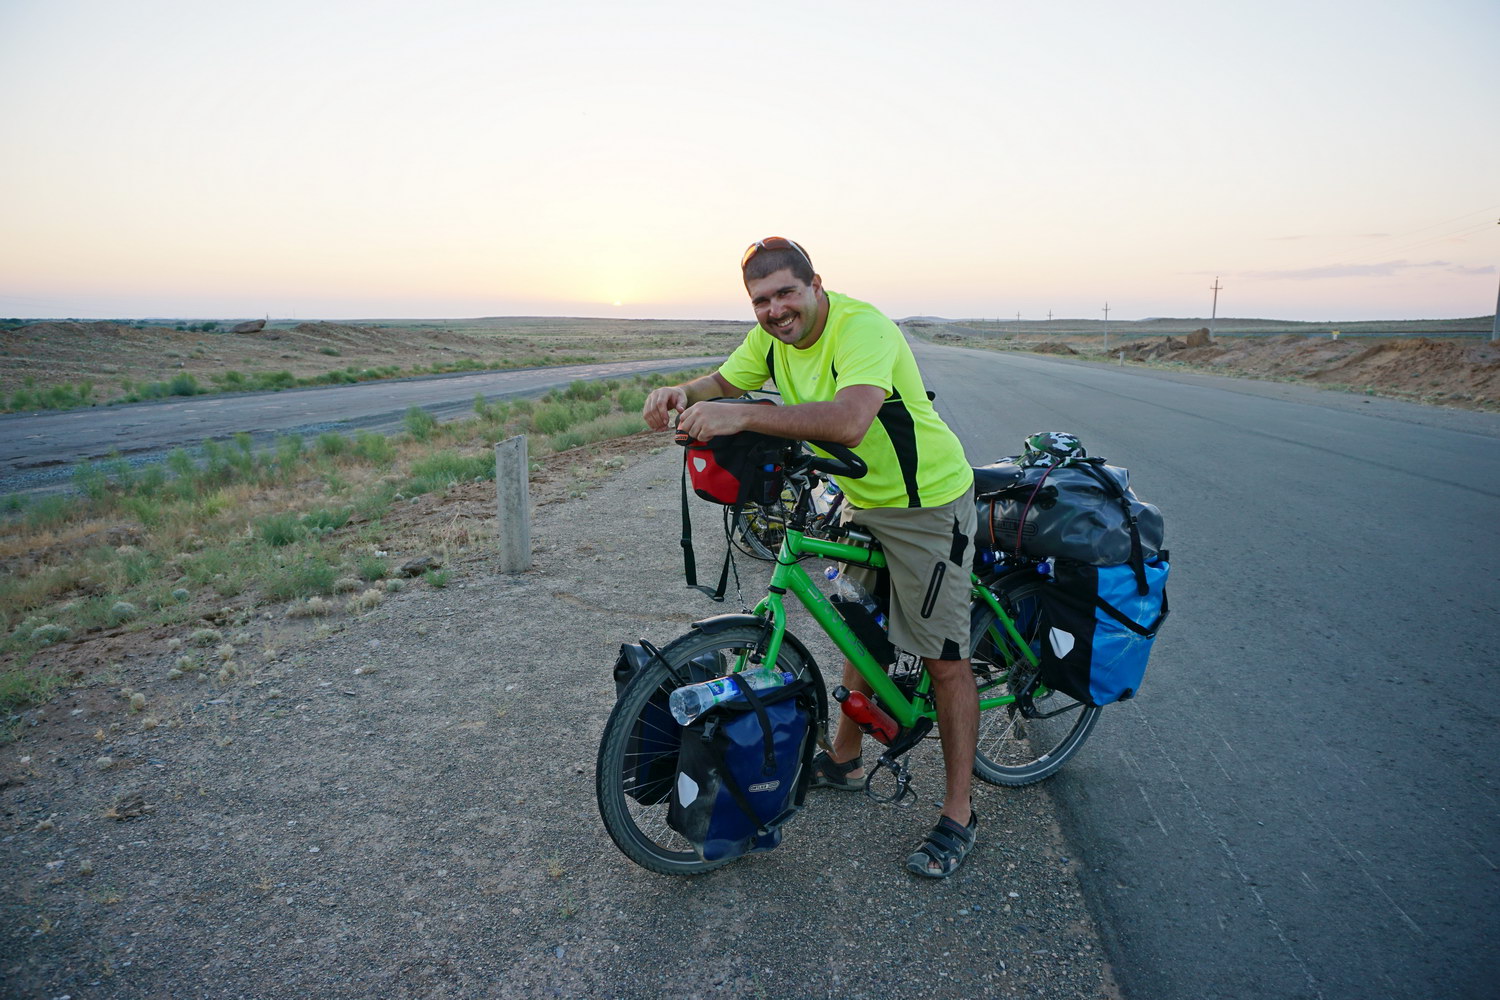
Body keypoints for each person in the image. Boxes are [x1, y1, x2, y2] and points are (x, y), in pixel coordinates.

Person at [642, 237, 980, 878]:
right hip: (861, 500)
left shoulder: (863, 327)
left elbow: (851, 420)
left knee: (944, 661)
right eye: (761, 301)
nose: (774, 311)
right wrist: (678, 392)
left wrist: (743, 421)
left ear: (815, 284)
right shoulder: (769, 339)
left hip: (927, 504)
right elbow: (723, 380)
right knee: (860, 632)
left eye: (785, 294)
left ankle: (959, 812)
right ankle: (847, 761)